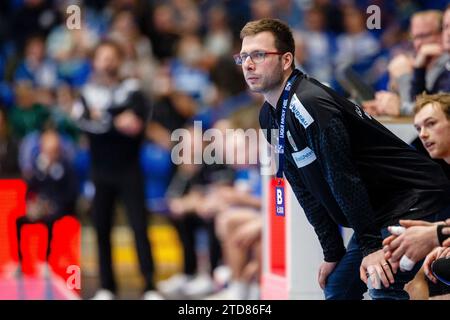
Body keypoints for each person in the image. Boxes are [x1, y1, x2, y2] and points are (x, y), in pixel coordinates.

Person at [235, 18, 450, 300]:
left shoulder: (310, 102)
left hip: (416, 198)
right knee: (338, 289)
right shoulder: (269, 116)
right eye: (244, 57)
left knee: (382, 282)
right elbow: (303, 189)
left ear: (286, 60)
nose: (249, 64)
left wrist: (372, 247)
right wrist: (332, 252)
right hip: (382, 210)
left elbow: (342, 176)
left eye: (259, 55)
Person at [71, 40, 161, 300]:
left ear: (119, 61)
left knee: (139, 226)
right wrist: (115, 119)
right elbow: (86, 124)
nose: (107, 62)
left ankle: (150, 285)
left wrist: (104, 116)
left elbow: (136, 124)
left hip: (129, 169)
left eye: (112, 57)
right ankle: (107, 287)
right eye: (102, 58)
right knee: (101, 229)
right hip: (100, 171)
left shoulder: (132, 90)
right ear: (95, 62)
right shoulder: (86, 93)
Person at [16, 129, 78, 276]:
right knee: (19, 220)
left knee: (50, 221)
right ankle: (19, 262)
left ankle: (45, 261)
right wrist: (34, 204)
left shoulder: (65, 166)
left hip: (60, 208)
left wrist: (54, 205)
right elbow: (31, 189)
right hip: (41, 207)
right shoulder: (38, 166)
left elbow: (70, 193)